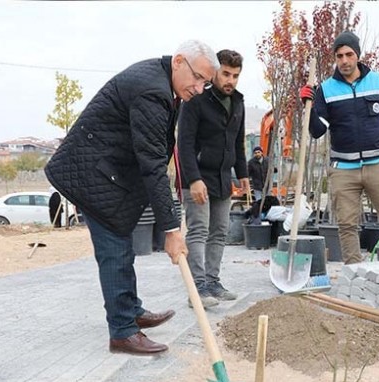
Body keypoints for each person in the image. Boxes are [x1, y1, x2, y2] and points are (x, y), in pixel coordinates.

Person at [45, 40, 219, 355]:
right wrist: (171, 230)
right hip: (90, 175)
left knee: (121, 242)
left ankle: (131, 310)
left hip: (108, 171)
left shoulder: (166, 82)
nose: (199, 88)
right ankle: (123, 331)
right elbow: (152, 163)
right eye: (197, 78)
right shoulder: (152, 90)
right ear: (179, 61)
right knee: (114, 249)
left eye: (205, 83)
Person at [300, 30, 379, 264]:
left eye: (349, 54)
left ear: (357, 55)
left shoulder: (377, 81)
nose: (344, 61)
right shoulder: (326, 89)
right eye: (339, 56)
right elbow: (318, 130)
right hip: (343, 169)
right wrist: (308, 106)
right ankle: (353, 273)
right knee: (347, 224)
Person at [177, 49, 249, 307]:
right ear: (215, 72)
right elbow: (183, 143)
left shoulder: (238, 102)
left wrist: (243, 174)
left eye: (235, 76)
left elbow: (238, 143)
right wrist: (193, 179)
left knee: (219, 232)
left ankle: (212, 283)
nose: (230, 80)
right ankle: (196, 289)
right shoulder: (196, 100)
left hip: (222, 179)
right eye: (226, 74)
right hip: (197, 178)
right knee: (198, 231)